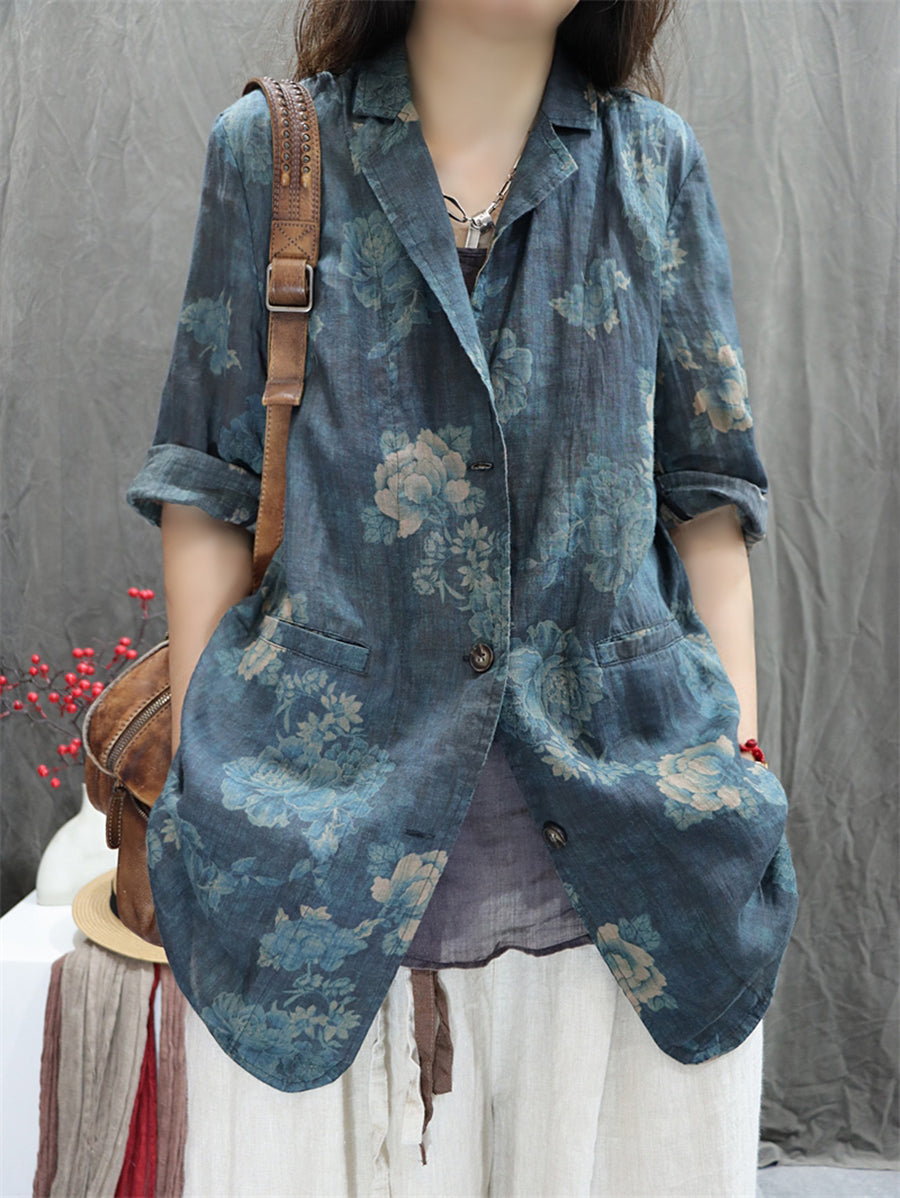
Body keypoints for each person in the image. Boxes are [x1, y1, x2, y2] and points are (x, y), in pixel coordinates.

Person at [126, 0, 799, 1193]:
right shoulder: (273, 154)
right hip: (319, 848)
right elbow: (206, 486)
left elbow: (708, 500)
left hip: (633, 838)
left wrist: (736, 760)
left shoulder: (651, 162)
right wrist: (208, 772)